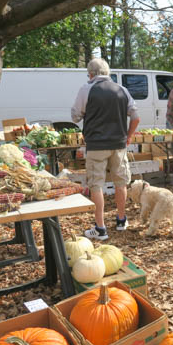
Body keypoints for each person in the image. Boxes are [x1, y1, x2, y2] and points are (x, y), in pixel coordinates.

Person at [71, 58, 140, 240]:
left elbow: (75, 116)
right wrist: (129, 136)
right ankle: (121, 219)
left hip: (96, 145)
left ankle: (100, 228)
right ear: (108, 73)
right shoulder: (122, 90)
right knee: (120, 182)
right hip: (119, 144)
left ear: (91, 74)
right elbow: (135, 117)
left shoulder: (87, 89)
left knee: (97, 185)